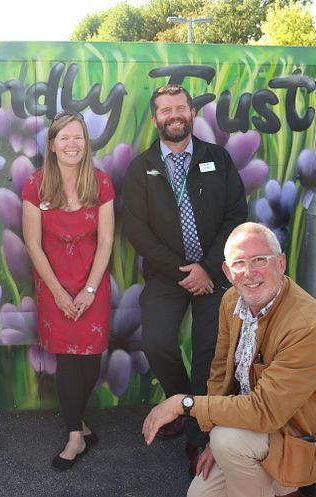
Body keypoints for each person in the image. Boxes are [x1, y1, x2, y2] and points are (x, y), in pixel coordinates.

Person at [142, 222, 316, 497]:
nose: (249, 272)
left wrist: (184, 404)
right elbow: (220, 372)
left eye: (259, 260)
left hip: (303, 439)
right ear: (228, 272)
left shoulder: (306, 326)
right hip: (254, 432)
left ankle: (299, 488)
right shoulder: (231, 300)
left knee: (226, 440)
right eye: (239, 263)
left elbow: (265, 411)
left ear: (281, 263)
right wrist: (209, 443)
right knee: (199, 493)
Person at [122, 84, 247, 475]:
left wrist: (207, 268)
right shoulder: (141, 167)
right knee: (157, 342)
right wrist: (183, 271)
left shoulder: (218, 158)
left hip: (214, 272)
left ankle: (197, 437)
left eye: (180, 108)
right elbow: (137, 230)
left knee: (209, 352)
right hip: (167, 274)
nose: (173, 115)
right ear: (155, 118)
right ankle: (179, 401)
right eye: (165, 110)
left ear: (192, 113)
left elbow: (236, 215)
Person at [21, 111, 115, 470]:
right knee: (66, 358)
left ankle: (80, 420)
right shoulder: (36, 184)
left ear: (85, 143)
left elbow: (106, 240)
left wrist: (89, 289)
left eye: (78, 137)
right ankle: (75, 434)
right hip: (53, 285)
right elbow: (33, 243)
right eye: (64, 138)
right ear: (52, 145)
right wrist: (58, 292)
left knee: (90, 358)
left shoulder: (102, 183)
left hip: (93, 284)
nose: (72, 144)